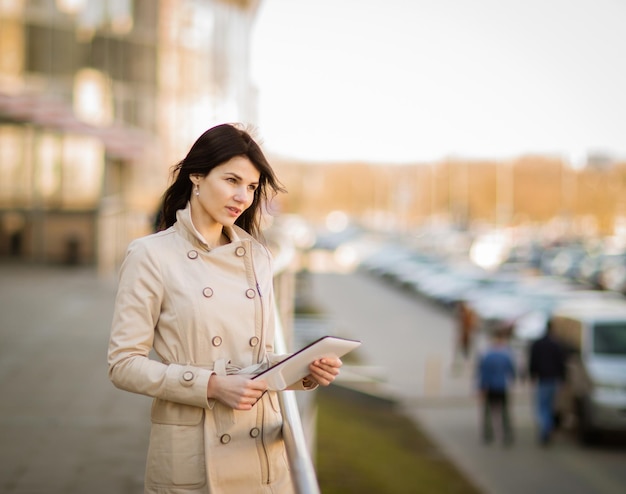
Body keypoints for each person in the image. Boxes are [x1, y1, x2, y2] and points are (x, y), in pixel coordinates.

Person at [107, 123, 343, 494]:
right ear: (197, 177)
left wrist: (306, 369)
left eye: (250, 187)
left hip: (261, 458)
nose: (242, 197)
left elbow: (258, 358)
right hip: (193, 463)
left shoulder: (258, 258)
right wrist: (211, 386)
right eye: (232, 180)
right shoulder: (150, 255)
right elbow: (123, 365)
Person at [528, 318, 566, 446]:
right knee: (549, 406)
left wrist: (532, 375)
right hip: (553, 379)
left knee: (542, 407)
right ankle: (548, 429)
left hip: (542, 379)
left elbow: (533, 361)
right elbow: (561, 364)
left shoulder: (538, 344)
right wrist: (562, 379)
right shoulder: (556, 344)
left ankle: (545, 429)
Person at [476, 328, 516, 446]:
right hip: (502, 386)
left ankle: (488, 434)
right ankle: (507, 435)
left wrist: (481, 386)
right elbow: (512, 371)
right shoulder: (507, 354)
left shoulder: (487, 354)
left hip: (490, 386)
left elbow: (483, 372)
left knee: (488, 411)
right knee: (504, 411)